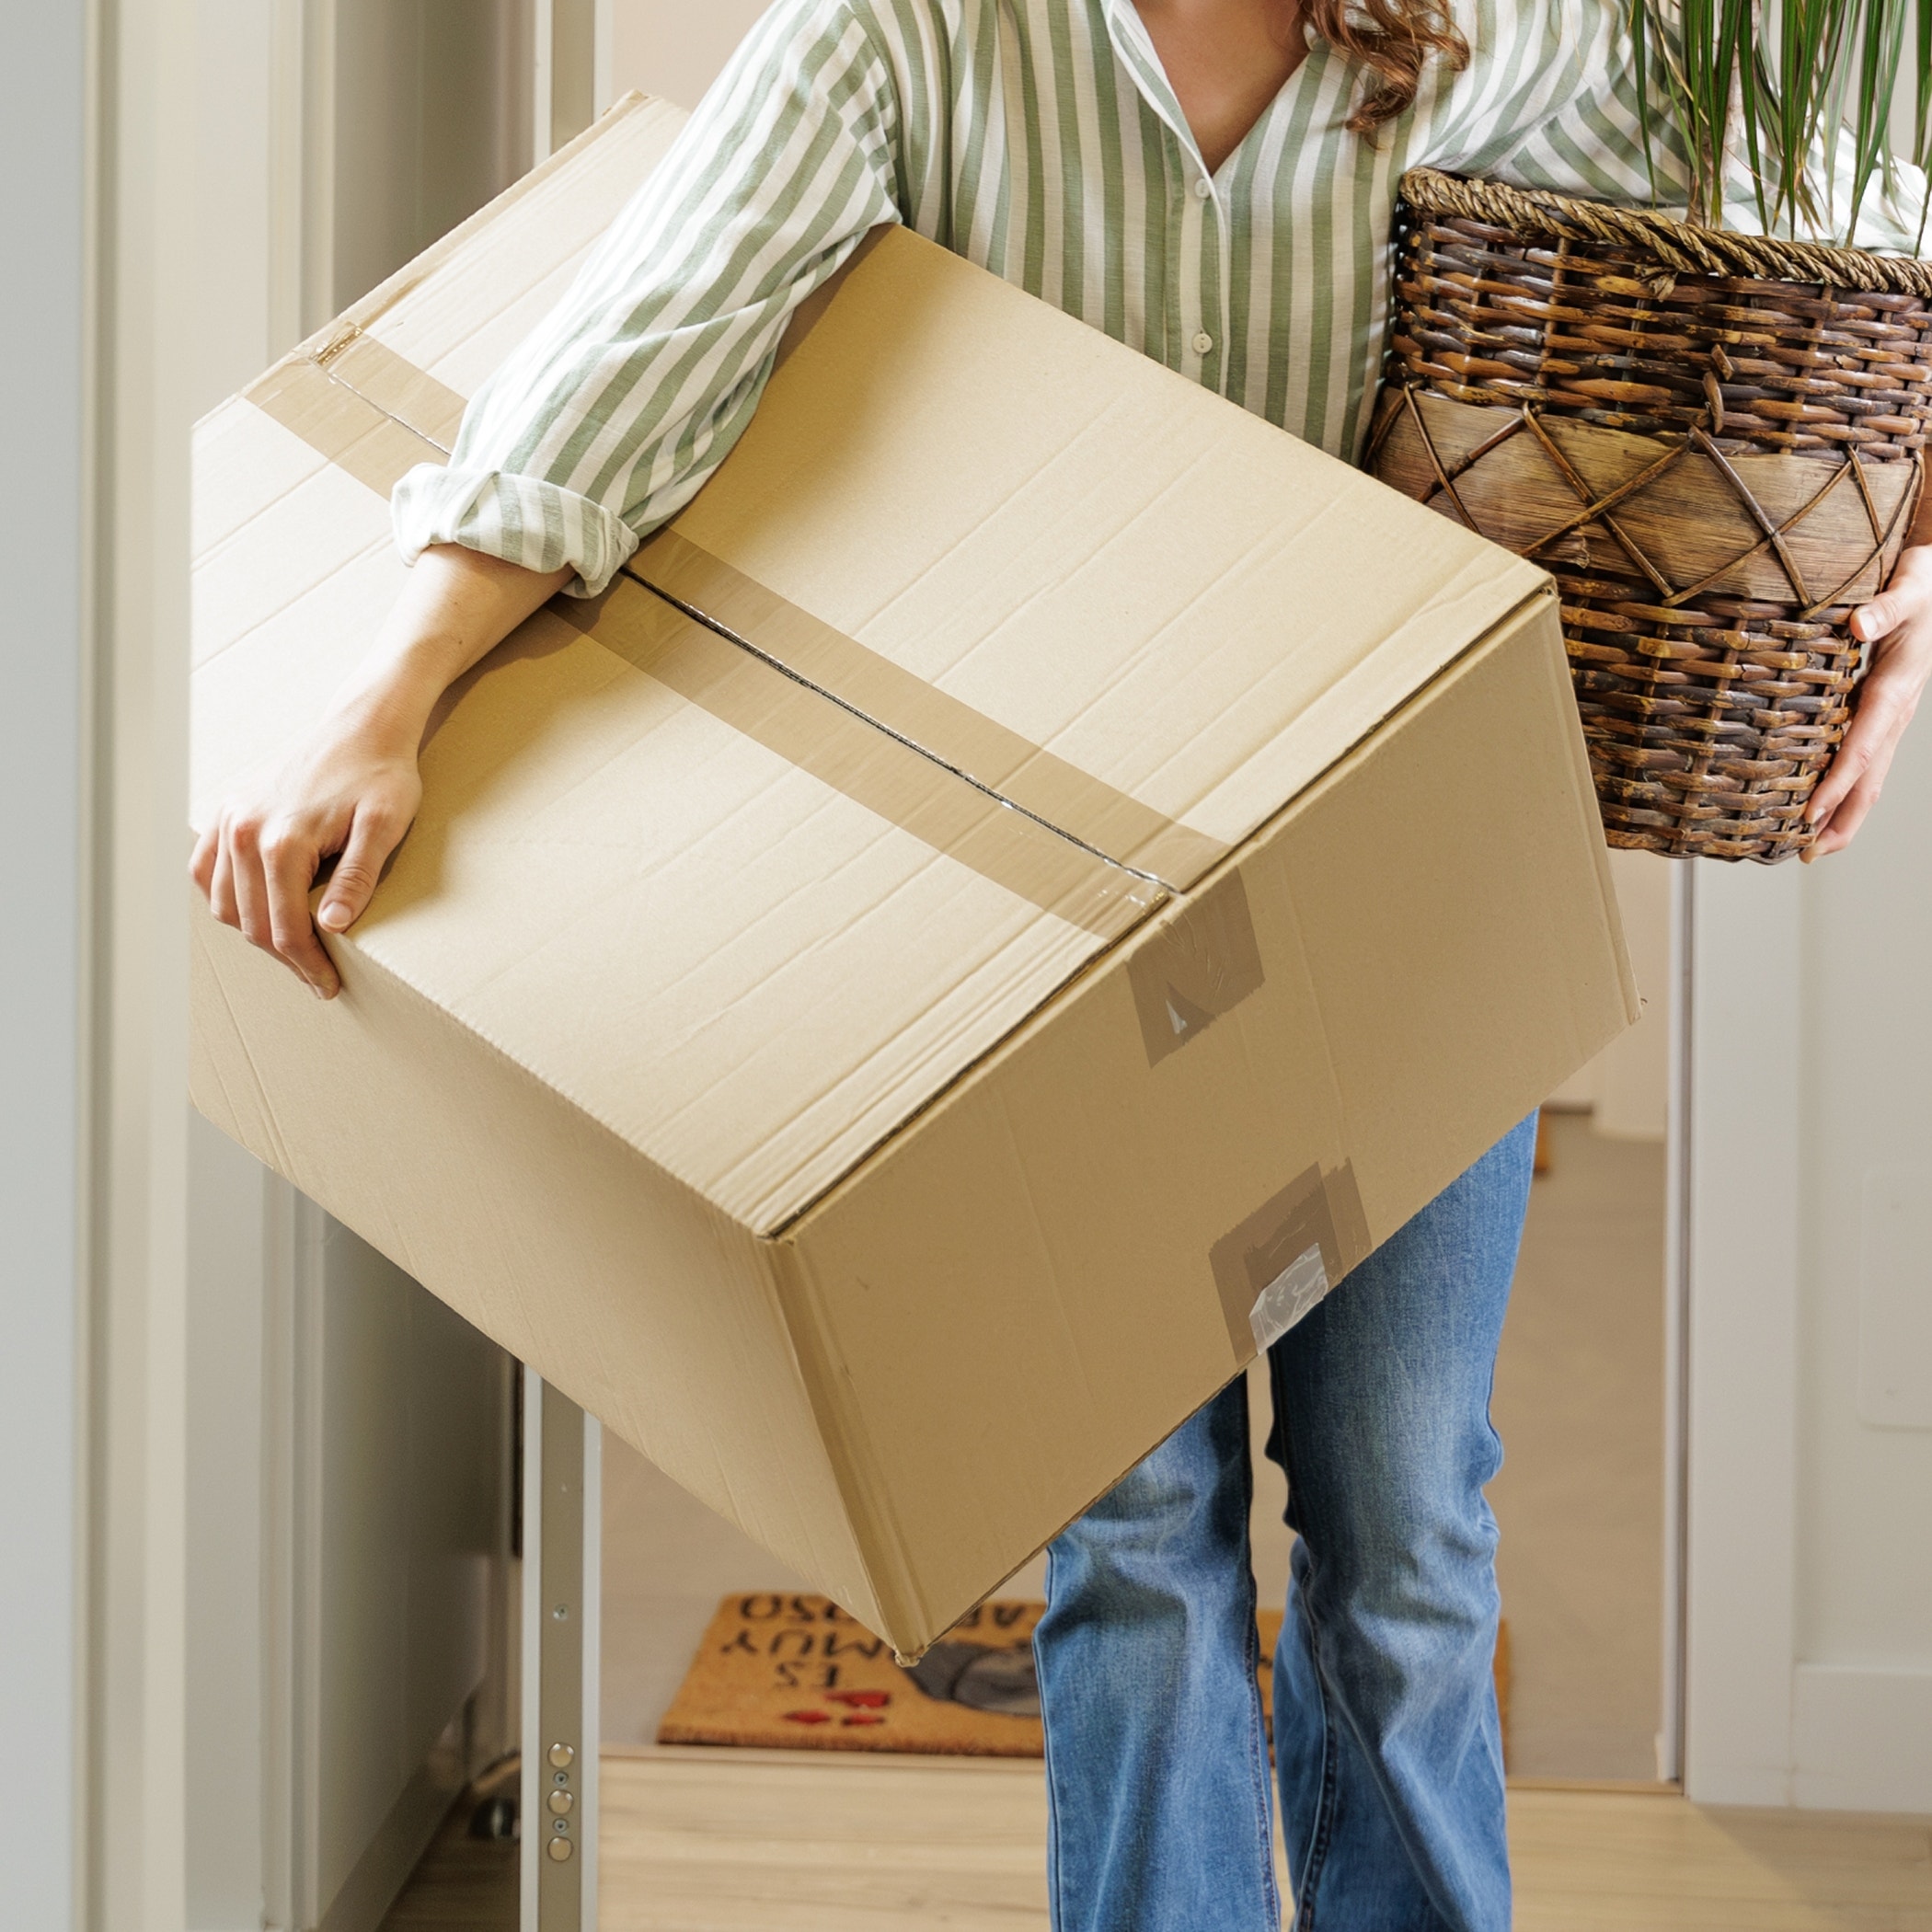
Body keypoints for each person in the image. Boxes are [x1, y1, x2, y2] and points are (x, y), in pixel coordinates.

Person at [191, 3, 1932, 1925]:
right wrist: (393, 685)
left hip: (1411, 906)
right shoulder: (909, 34)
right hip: (1063, 960)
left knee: (1407, 1540)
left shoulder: (1499, 28)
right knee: (1132, 1543)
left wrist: (1910, 554)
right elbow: (647, 337)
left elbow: (1828, 219)